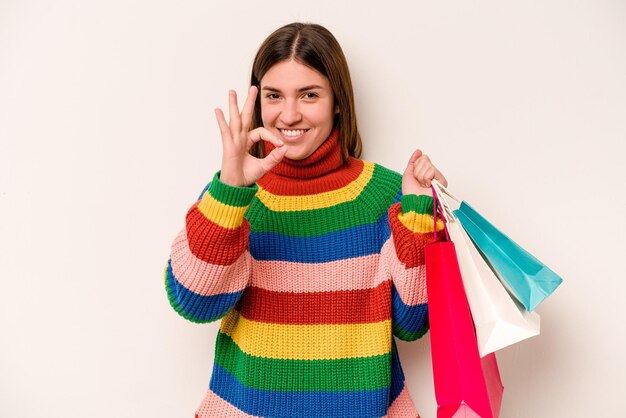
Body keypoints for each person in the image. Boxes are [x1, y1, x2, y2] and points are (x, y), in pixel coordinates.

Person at [165, 22, 448, 418]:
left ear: (337, 101)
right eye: (274, 96)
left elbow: (412, 322)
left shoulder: (385, 194)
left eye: (309, 95)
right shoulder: (237, 195)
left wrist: (417, 215)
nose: (290, 114)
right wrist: (230, 189)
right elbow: (193, 302)